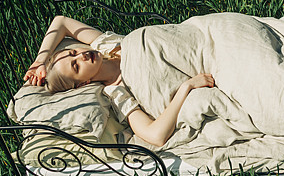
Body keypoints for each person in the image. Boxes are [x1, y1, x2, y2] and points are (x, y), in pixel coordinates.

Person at [22, 15, 215, 147]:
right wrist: (187, 87)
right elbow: (156, 136)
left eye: (74, 52)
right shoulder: (117, 93)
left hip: (202, 41)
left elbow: (60, 22)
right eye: (76, 66)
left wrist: (39, 61)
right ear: (83, 83)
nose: (82, 56)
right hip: (201, 71)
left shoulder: (107, 45)